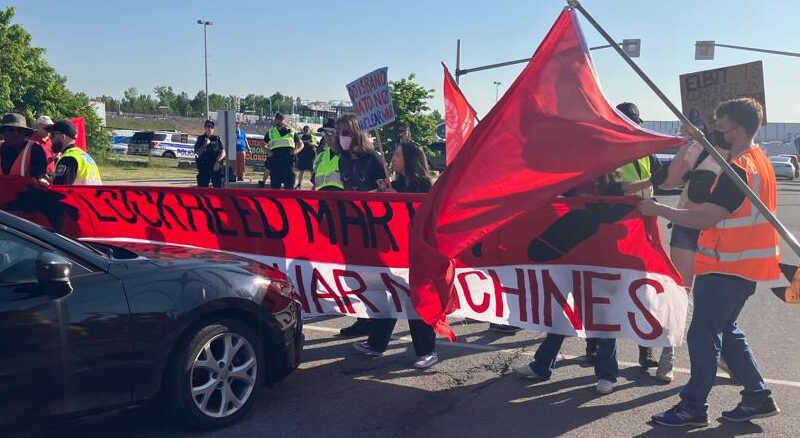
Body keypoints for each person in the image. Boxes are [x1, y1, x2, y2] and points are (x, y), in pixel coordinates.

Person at [645, 98, 780, 427]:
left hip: (726, 266)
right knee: (728, 331)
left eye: (719, 128)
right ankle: (757, 396)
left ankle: (693, 407)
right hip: (743, 267)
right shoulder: (760, 161)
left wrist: (658, 210)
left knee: (704, 334)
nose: (714, 133)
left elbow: (705, 216)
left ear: (736, 130)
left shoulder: (740, 169)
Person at [514, 171, 625, 395]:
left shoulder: (613, 186)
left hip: (599, 260)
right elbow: (549, 195)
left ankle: (607, 374)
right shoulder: (573, 178)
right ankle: (542, 365)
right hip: (567, 257)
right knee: (560, 313)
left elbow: (621, 217)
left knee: (602, 318)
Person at [353, 141, 438, 369]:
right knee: (386, 292)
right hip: (393, 251)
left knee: (416, 299)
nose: (394, 157)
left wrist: (397, 198)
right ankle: (377, 343)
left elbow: (425, 218)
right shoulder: (394, 184)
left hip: (417, 252)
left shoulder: (425, 186)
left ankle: (427, 350)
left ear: (409, 160)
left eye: (398, 154)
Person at [614, 102, 661, 371]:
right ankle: (595, 347)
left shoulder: (646, 152)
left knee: (642, 290)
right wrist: (650, 181)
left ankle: (646, 350)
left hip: (643, 226)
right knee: (609, 288)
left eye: (635, 123)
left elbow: (664, 179)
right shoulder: (612, 152)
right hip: (618, 225)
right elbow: (617, 188)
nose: (633, 127)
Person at [336, 114, 389, 337]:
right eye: (340, 133)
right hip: (351, 225)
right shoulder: (342, 159)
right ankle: (363, 319)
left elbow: (386, 192)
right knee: (355, 275)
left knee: (373, 277)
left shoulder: (373, 159)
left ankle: (380, 321)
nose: (342, 137)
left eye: (346, 132)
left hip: (372, 227)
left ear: (357, 133)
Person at [0, 113, 49, 184]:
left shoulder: (35, 150)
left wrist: (40, 180)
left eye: (19, 130)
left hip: (24, 193)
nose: (15, 133)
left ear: (25, 133)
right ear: (4, 132)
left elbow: (38, 176)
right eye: (10, 129)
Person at [49, 119, 102, 185]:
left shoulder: (68, 159)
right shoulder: (84, 156)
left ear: (63, 136)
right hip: (90, 195)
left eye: (53, 134)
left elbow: (60, 190)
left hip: (79, 195)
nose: (50, 138)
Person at [258, 113, 303, 189]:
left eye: (281, 119)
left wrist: (296, 151)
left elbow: (301, 144)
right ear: (275, 120)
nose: (279, 121)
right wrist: (268, 152)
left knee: (289, 186)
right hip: (276, 161)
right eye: (277, 119)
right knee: (275, 186)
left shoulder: (291, 131)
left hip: (288, 161)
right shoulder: (271, 132)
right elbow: (262, 143)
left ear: (284, 121)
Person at [311, 118, 343, 191]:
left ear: (339, 134)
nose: (327, 136)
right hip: (322, 200)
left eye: (331, 132)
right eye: (324, 133)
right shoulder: (320, 157)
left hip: (342, 201)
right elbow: (314, 186)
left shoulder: (347, 156)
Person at [193, 119, 225, 188]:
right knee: (202, 189)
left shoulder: (217, 139)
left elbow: (223, 152)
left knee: (218, 188)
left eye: (211, 127)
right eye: (208, 126)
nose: (210, 128)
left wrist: (217, 162)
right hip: (204, 167)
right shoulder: (200, 139)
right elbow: (196, 154)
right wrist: (204, 145)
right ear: (205, 128)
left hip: (215, 167)